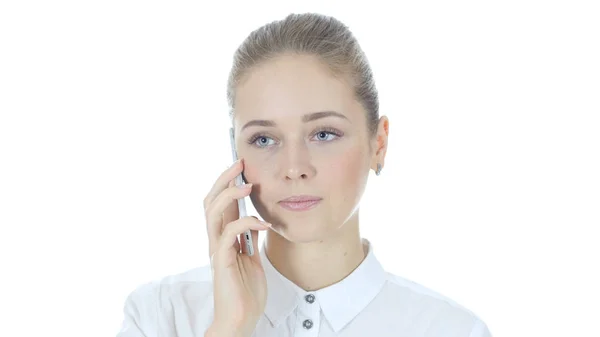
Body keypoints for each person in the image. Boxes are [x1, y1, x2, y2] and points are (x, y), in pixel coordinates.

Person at [116, 12, 491, 337]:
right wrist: (229, 329)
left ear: (378, 143)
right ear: (236, 152)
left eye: (324, 134)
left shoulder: (451, 330)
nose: (294, 168)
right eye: (264, 139)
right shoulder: (161, 315)